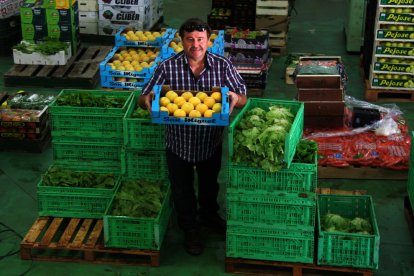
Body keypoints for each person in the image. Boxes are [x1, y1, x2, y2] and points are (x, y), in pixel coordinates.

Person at [138, 18, 247, 256]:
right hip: (178, 143)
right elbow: (144, 94)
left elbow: (242, 97)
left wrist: (234, 100)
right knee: (182, 189)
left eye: (200, 39)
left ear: (208, 41)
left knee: (210, 184)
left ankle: (209, 216)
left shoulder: (223, 65)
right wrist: (146, 100)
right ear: (181, 41)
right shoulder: (167, 66)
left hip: (210, 140)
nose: (195, 45)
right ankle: (190, 229)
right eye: (190, 39)